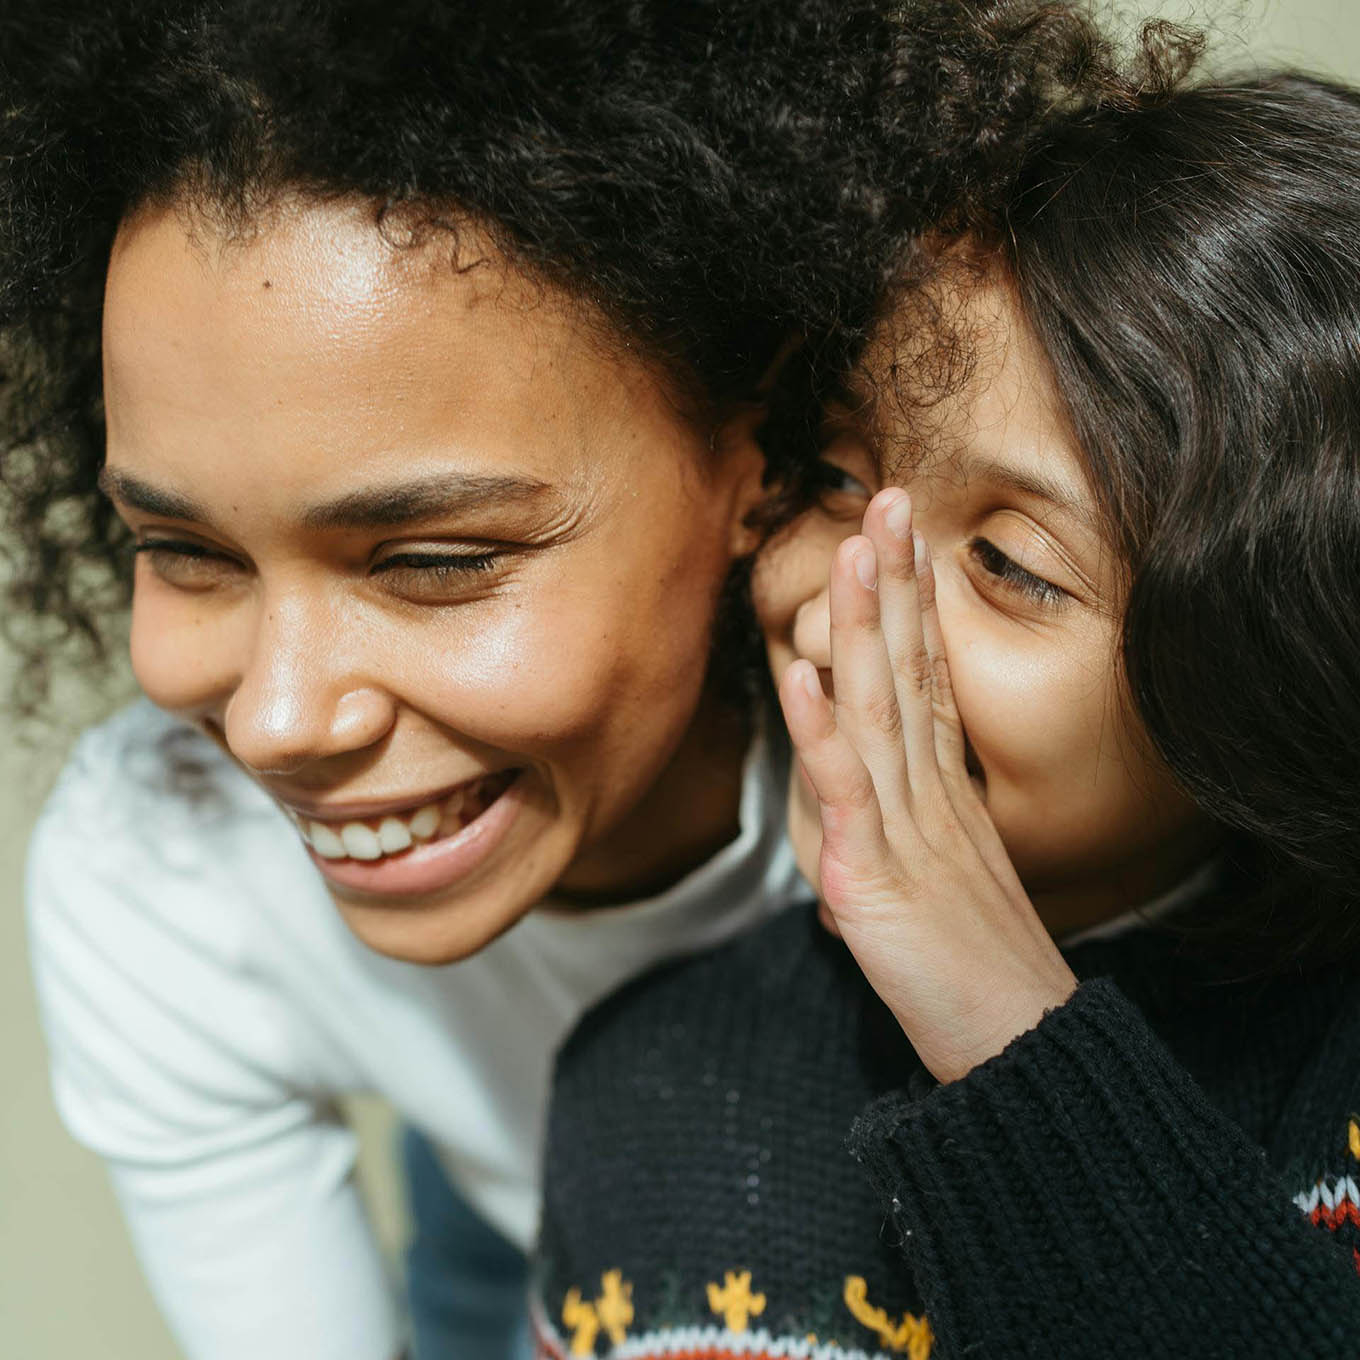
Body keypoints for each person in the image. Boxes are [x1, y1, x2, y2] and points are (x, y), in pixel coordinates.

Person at [2, 3, 1063, 1358]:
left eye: (432, 561)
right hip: (519, 1244)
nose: (273, 724)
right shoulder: (164, 866)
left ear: (760, 464)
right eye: (185, 551)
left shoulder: (1015, 765)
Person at [533, 31, 1360, 1360]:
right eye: (842, 477)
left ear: (1274, 660)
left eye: (1009, 563)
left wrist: (1013, 1040)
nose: (843, 600)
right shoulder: (644, 1088)